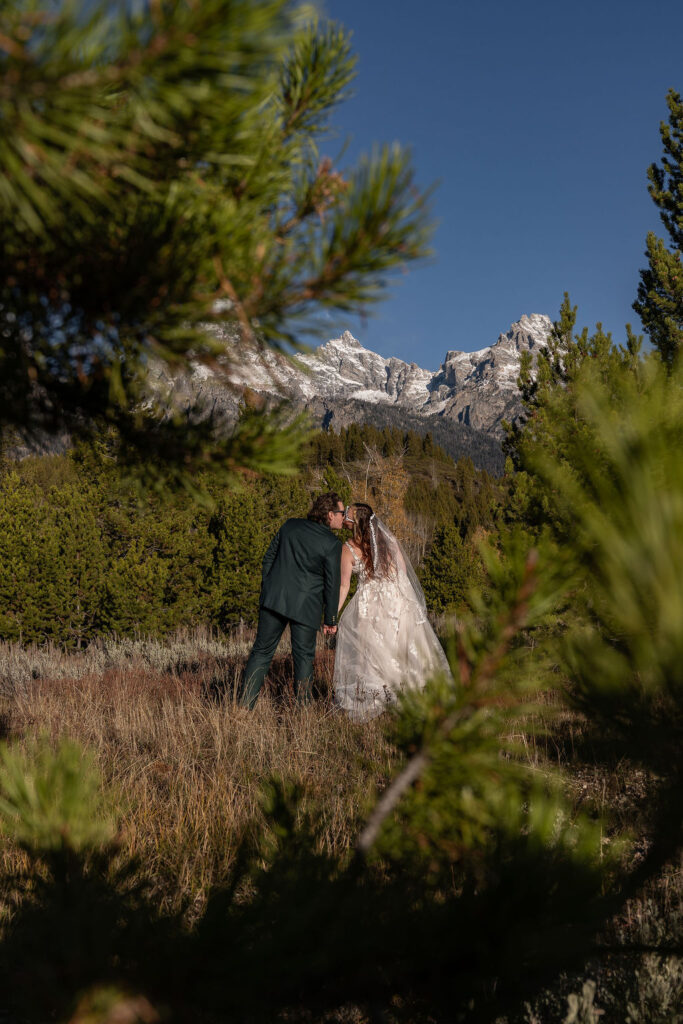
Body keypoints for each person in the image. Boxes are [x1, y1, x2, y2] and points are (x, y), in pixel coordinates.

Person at [333, 502, 452, 721]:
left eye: (348, 516)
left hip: (369, 605)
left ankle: (378, 697)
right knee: (398, 648)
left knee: (371, 653)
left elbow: (344, 586)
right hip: (396, 601)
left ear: (355, 523)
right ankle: (404, 696)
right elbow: (403, 574)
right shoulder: (389, 541)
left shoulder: (348, 549)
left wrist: (334, 615)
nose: (346, 519)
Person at [239, 492, 345, 708]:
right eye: (341, 513)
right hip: (306, 607)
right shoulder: (332, 543)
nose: (344, 517)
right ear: (329, 514)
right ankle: (302, 714)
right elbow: (332, 584)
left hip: (274, 599)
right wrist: (331, 619)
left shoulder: (290, 525)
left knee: (261, 653)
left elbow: (268, 557)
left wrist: (269, 585)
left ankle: (243, 708)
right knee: (304, 659)